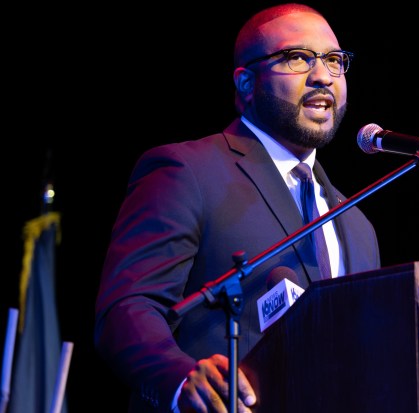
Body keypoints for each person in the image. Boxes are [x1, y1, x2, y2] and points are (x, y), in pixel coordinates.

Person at [94, 3, 381, 412]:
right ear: (246, 83)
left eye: (334, 60)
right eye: (297, 57)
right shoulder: (188, 170)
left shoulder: (357, 226)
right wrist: (178, 378)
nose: (322, 76)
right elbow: (127, 308)